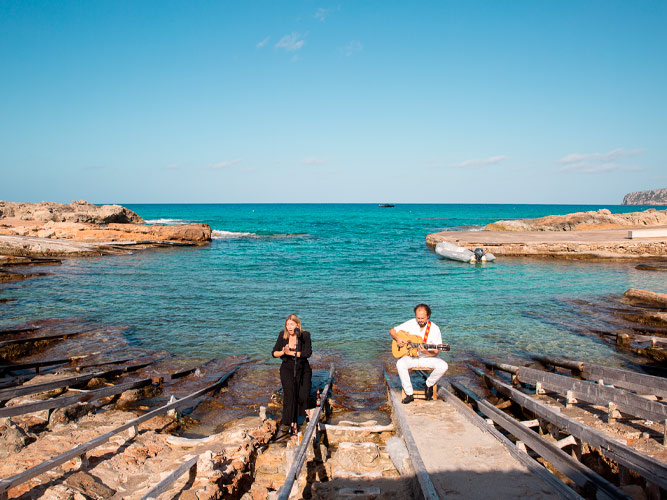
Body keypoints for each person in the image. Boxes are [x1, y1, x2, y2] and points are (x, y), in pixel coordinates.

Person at [389, 304, 448, 404]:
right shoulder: (411, 323)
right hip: (411, 357)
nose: (420, 320)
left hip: (427, 358)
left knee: (443, 366)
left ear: (428, 316)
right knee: (400, 364)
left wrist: (426, 351)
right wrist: (398, 339)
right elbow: (392, 331)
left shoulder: (434, 329)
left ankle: (429, 384)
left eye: (422, 318)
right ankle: (409, 393)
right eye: (418, 318)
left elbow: (435, 352)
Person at [272, 314, 312, 434]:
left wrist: (290, 352)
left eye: (292, 324)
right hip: (287, 368)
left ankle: (303, 417)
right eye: (287, 324)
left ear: (297, 325)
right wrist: (283, 352)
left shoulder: (304, 335)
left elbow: (307, 353)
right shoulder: (282, 335)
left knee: (302, 396)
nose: (289, 327)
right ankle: (287, 423)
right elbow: (274, 353)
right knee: (289, 395)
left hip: (303, 368)